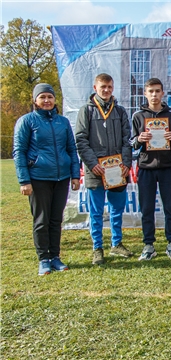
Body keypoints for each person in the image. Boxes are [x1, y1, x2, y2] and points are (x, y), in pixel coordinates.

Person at [13, 83, 80, 275]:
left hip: (62, 178)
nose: (47, 100)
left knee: (55, 220)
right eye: (42, 97)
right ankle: (43, 259)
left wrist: (75, 175)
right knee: (41, 220)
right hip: (38, 178)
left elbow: (71, 149)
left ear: (54, 99)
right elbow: (19, 152)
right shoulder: (27, 121)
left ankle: (55, 257)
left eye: (49, 97)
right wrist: (24, 181)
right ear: (35, 100)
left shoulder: (63, 122)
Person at [75, 73, 133, 265]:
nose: (106, 90)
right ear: (95, 88)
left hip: (117, 169)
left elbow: (127, 139)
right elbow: (81, 140)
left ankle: (116, 243)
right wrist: (92, 164)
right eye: (103, 87)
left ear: (113, 87)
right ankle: (97, 248)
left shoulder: (120, 111)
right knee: (96, 211)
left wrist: (126, 162)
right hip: (96, 170)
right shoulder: (86, 110)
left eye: (109, 87)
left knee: (117, 209)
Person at [131, 78, 171, 261]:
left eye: (157, 91)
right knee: (146, 208)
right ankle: (148, 245)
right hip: (146, 168)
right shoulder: (138, 116)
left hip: (167, 167)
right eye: (151, 91)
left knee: (170, 207)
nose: (154, 95)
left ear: (163, 93)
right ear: (145, 93)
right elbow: (131, 143)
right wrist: (140, 139)